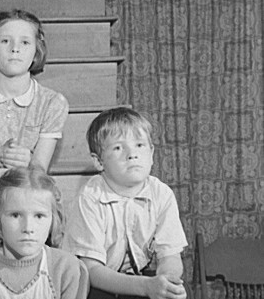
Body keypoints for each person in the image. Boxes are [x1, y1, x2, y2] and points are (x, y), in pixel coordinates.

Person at [0, 9, 69, 249]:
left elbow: (40, 169)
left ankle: (40, 255)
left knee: (32, 188)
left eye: (25, 42)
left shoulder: (53, 102)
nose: (15, 48)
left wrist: (27, 160)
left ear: (36, 52)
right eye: (5, 41)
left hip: (30, 186)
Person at [62, 107, 188, 299]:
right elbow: (92, 270)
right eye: (118, 147)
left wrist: (165, 282)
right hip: (96, 281)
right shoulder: (90, 198)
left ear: (152, 153)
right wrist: (147, 287)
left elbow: (170, 255)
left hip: (140, 277)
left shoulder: (162, 194)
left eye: (139, 145)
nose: (132, 154)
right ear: (99, 161)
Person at [0, 167, 89, 299]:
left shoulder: (66, 270)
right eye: (15, 215)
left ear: (53, 219)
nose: (28, 228)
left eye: (39, 216)